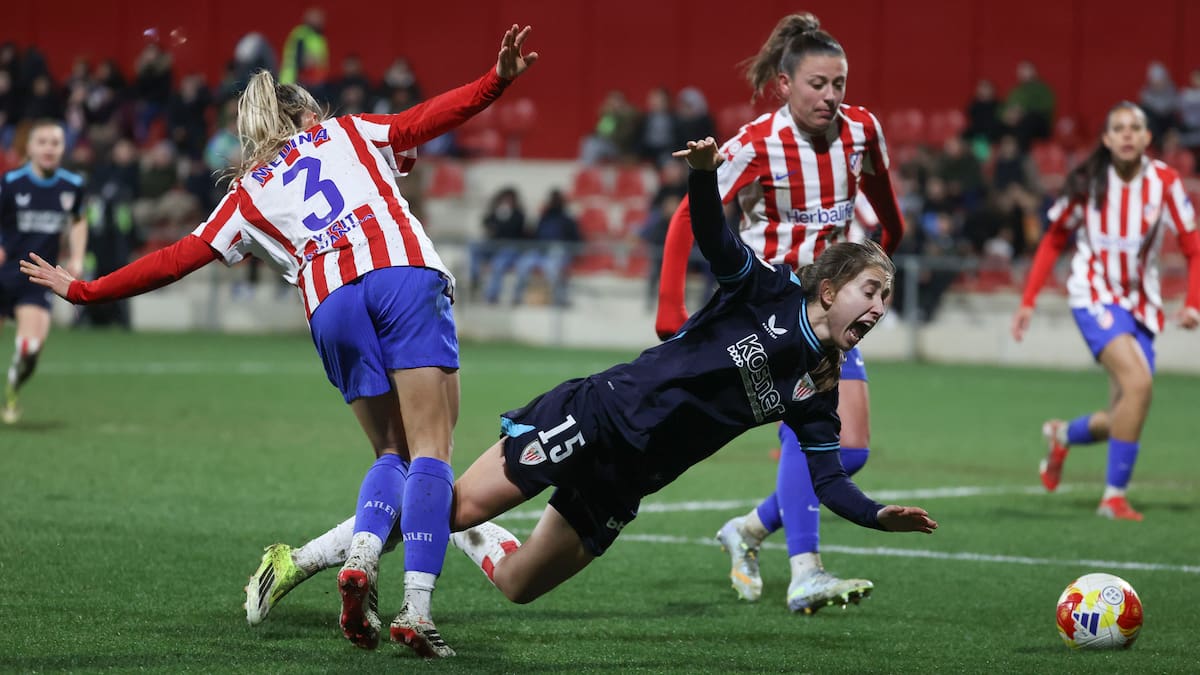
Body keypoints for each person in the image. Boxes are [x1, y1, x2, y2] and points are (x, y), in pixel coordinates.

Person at [228, 137, 937, 632]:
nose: (878, 308)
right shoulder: (771, 291)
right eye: (871, 290)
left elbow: (826, 476)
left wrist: (876, 516)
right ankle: (296, 561)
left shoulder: (821, 381)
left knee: (518, 586)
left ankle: (475, 535)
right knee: (451, 503)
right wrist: (703, 176)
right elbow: (719, 243)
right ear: (834, 283)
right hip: (600, 415)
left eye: (885, 299)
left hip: (632, 476)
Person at [20, 24, 539, 658]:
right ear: (309, 115)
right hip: (400, 275)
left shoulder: (250, 191)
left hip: (331, 304)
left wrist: (85, 290)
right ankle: (416, 610)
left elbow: (178, 257)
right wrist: (498, 81)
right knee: (432, 450)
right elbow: (425, 120)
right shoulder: (348, 132)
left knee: (390, 453)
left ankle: (361, 557)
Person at [654, 13, 904, 614]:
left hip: (831, 310)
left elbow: (882, 193)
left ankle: (749, 529)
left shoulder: (862, 130)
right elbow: (692, 211)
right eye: (818, 84)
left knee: (852, 449)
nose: (831, 96)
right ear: (785, 84)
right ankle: (806, 571)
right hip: (771, 306)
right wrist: (668, 299)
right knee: (806, 424)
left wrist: (889, 236)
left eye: (839, 83)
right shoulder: (755, 143)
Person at [1011, 101, 1200, 521]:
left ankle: (1062, 434)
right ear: (1108, 139)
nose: (1129, 134)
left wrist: (1193, 303)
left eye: (1136, 127)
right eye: (1120, 128)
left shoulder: (1165, 183)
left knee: (1124, 412)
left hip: (1142, 306)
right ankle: (1113, 498)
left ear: (1148, 137)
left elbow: (1193, 246)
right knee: (1139, 385)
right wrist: (1028, 301)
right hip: (1093, 294)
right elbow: (1053, 239)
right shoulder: (1088, 182)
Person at [0, 119, 87, 423]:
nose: (50, 148)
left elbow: (78, 220)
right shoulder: (10, 183)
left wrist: (76, 256)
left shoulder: (72, 186)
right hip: (3, 272)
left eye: (56, 143)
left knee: (31, 349)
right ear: (30, 148)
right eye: (43, 142)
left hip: (37, 277)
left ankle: (13, 385)